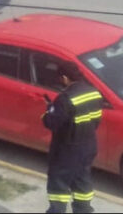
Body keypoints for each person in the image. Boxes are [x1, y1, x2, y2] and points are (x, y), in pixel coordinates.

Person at [42, 63, 103, 214]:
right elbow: (95, 121)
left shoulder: (65, 99)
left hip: (67, 150)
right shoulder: (94, 93)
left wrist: (49, 110)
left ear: (64, 78)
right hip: (88, 147)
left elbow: (51, 123)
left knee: (59, 186)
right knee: (82, 182)